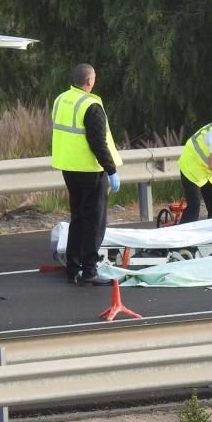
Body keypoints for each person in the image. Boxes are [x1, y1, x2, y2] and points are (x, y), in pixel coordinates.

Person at [51, 63, 122, 286]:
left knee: (78, 217)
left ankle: (73, 267)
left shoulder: (61, 99)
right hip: (90, 170)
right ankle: (89, 270)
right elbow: (98, 142)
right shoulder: (91, 104)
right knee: (94, 221)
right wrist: (111, 170)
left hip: (69, 168)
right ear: (90, 81)